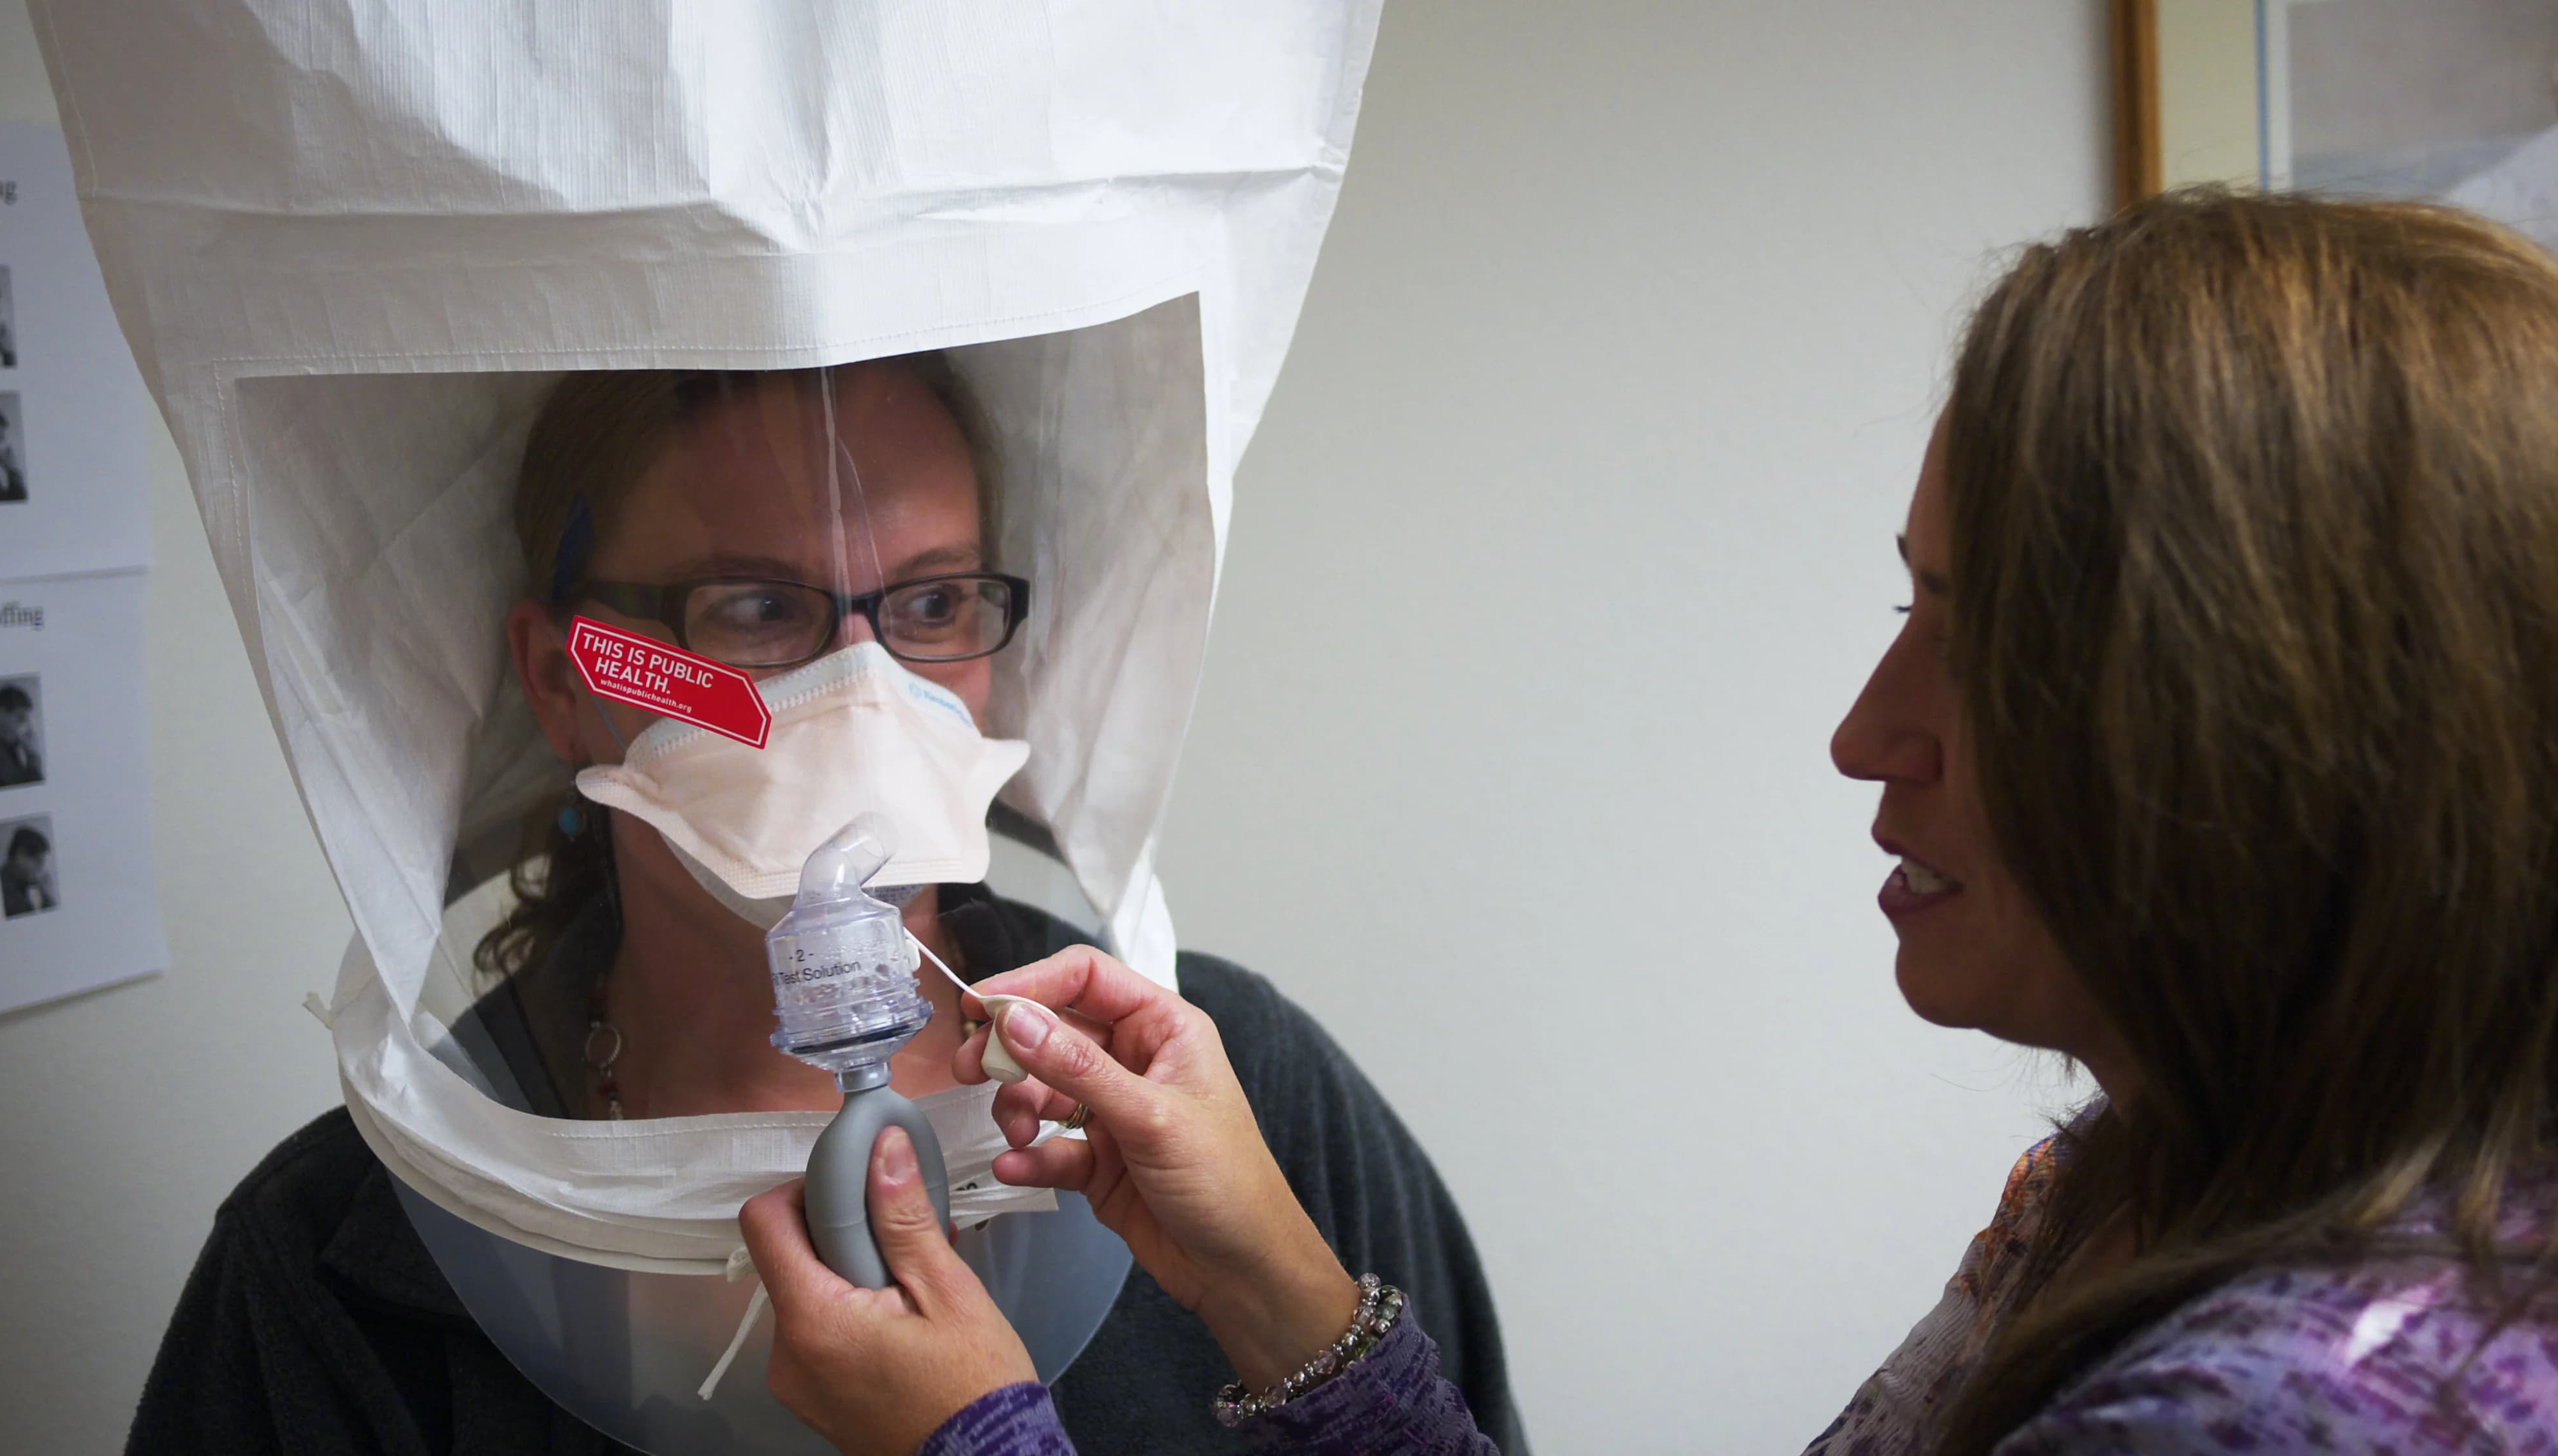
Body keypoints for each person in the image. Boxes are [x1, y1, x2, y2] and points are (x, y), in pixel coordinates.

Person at [739, 190, 2558, 1455]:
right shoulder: (2136, 1188)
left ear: (2285, 721)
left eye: (1983, 634)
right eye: (748, 616)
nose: (1863, 734)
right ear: (567, 672)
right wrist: (1278, 1289)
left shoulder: (2297, 1410)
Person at [126, 360, 1527, 1455]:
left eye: (930, 605)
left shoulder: (1230, 1094)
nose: (864, 698)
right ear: (563, 678)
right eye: (751, 609)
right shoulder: (351, 1254)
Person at [0, 683, 39, 788]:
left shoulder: (13, 744)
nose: (25, 725)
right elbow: (28, 789)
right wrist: (32, 754)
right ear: (2, 714)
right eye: (20, 718)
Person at [0, 824, 55, 916]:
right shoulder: (1, 886)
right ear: (19, 854)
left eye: (42, 861)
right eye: (37, 860)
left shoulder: (31, 881)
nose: (41, 867)